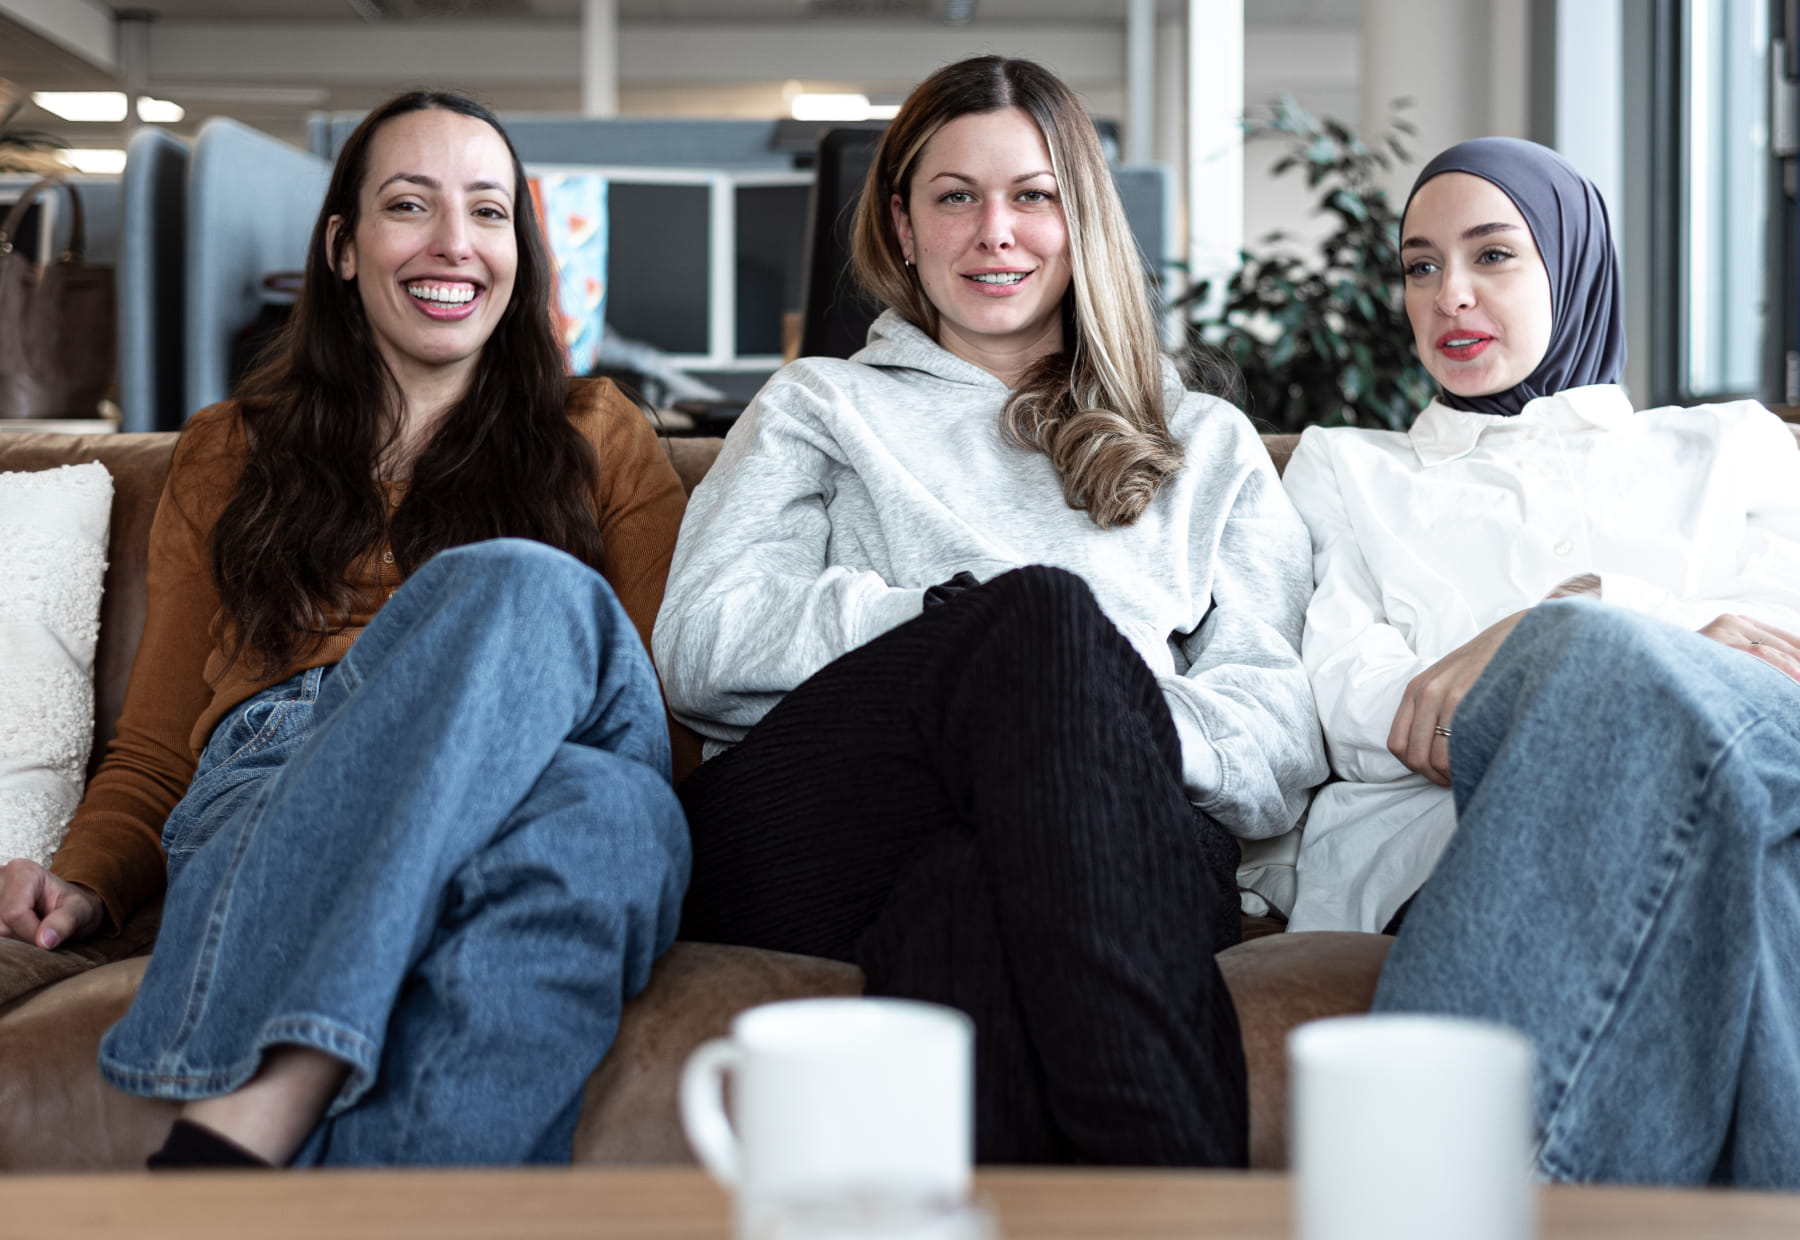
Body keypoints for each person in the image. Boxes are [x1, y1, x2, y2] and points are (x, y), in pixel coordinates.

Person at [652, 55, 1325, 1167]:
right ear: (903, 228)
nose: (993, 231)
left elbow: (1274, 736)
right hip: (822, 830)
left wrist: (1079, 723)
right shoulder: (820, 405)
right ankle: (1183, 1198)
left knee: (973, 885)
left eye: (1032, 195)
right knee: (1037, 620)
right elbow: (703, 644)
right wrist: (949, 627)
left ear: (1082, 219)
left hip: (1102, 840)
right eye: (953, 196)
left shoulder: (1205, 442)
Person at [0, 91, 692, 1168]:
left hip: (547, 755)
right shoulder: (233, 448)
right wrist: (84, 876)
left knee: (554, 661)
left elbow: (658, 705)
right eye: (410, 206)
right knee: (597, 798)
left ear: (522, 247)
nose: (455, 243)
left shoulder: (598, 431)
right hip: (289, 777)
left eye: (489, 212)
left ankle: (266, 1106)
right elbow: (153, 744)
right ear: (343, 247)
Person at [1281, 136, 1800, 1186]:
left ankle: (1420, 1188)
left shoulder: (1732, 447)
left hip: (1739, 793)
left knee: (1604, 658)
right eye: (1420, 266)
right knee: (1722, 826)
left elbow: (1776, 678)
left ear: (1574, 263)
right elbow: (1353, 706)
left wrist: (1578, 614)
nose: (1450, 295)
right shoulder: (1352, 470)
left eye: (1493, 256)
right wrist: (1597, 646)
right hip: (1460, 847)